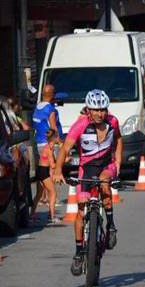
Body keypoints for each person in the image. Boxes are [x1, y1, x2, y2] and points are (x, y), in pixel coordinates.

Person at [53, 89, 122, 276]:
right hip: (87, 167)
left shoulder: (113, 122)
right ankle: (78, 253)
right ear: (88, 110)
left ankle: (111, 225)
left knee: (104, 182)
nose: (100, 114)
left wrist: (118, 163)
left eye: (103, 110)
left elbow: (118, 140)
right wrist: (58, 170)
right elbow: (66, 148)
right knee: (81, 211)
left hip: (107, 165)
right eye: (96, 110)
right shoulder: (80, 125)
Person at [30, 129, 59, 224]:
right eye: (57, 136)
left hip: (40, 170)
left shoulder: (48, 147)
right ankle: (52, 216)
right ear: (54, 138)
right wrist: (63, 162)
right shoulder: (49, 149)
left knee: (39, 194)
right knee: (53, 192)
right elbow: (53, 165)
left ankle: (32, 215)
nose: (59, 138)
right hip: (43, 171)